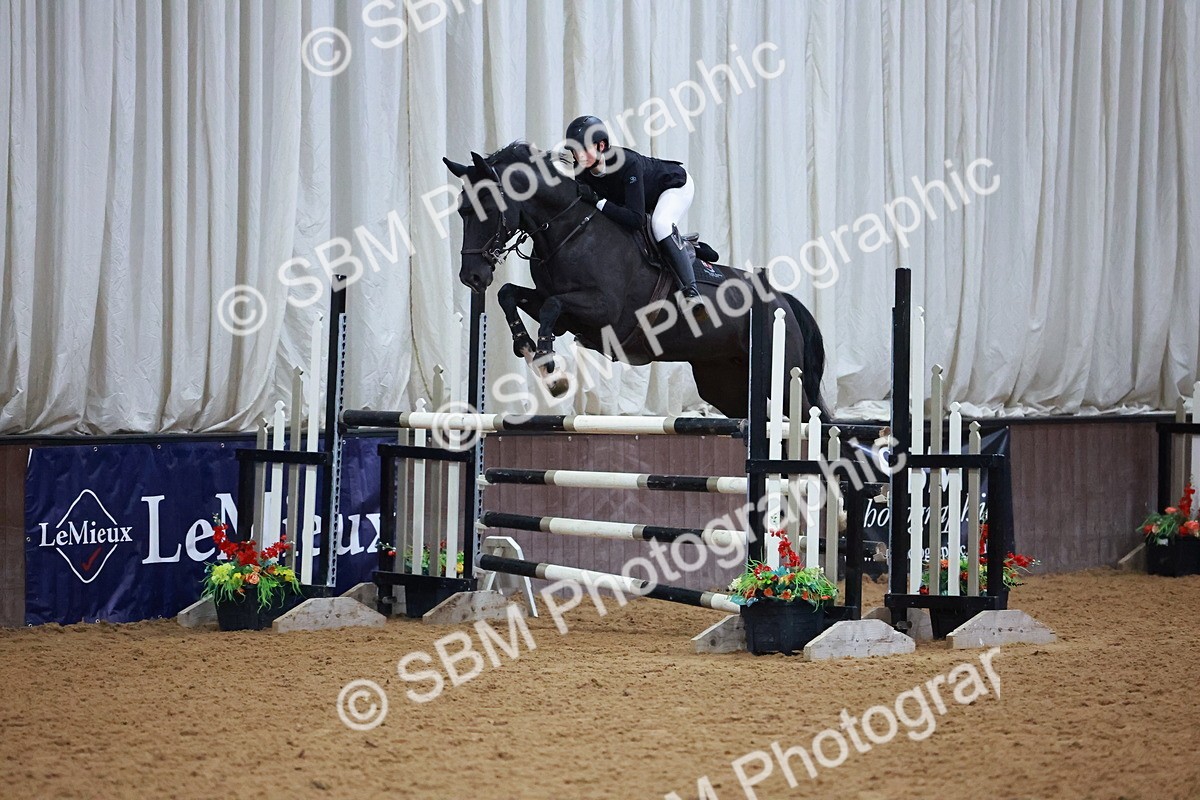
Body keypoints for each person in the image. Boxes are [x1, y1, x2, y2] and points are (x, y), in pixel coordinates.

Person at [564, 115, 703, 307]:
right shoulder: (580, 169)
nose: (578, 156)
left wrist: (598, 201)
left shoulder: (627, 163)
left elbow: (636, 219)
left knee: (660, 225)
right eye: (574, 150)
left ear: (601, 146)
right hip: (640, 197)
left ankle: (691, 292)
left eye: (583, 149)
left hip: (674, 185)